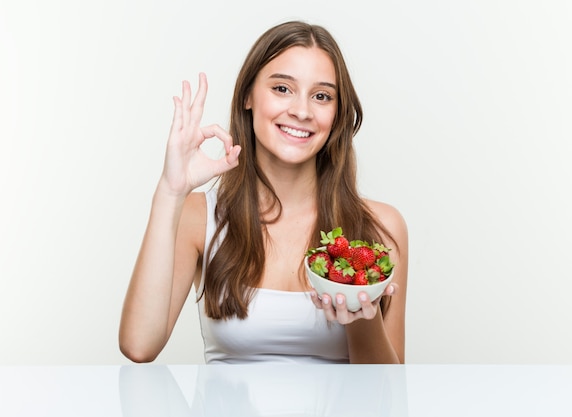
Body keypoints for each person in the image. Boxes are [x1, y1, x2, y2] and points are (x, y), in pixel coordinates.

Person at [119, 20, 408, 364]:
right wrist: (170, 191)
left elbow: (385, 393)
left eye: (321, 96)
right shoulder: (197, 217)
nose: (301, 111)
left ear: (338, 113)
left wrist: (363, 315)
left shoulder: (381, 227)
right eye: (282, 88)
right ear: (247, 96)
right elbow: (139, 346)